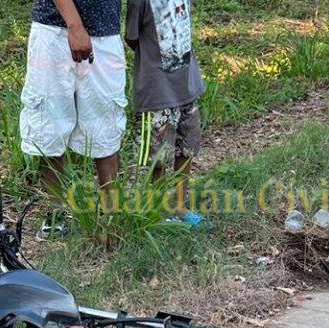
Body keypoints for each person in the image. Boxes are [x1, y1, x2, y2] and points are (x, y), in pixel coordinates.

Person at [21, 0, 127, 237]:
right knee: (50, 124)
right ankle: (55, 212)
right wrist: (75, 26)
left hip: (105, 33)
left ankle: (111, 212)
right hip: (53, 32)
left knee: (106, 122)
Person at [126, 0, 205, 227]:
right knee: (157, 157)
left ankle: (179, 207)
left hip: (187, 84)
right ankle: (159, 211)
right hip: (157, 89)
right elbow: (132, 37)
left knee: (187, 148)